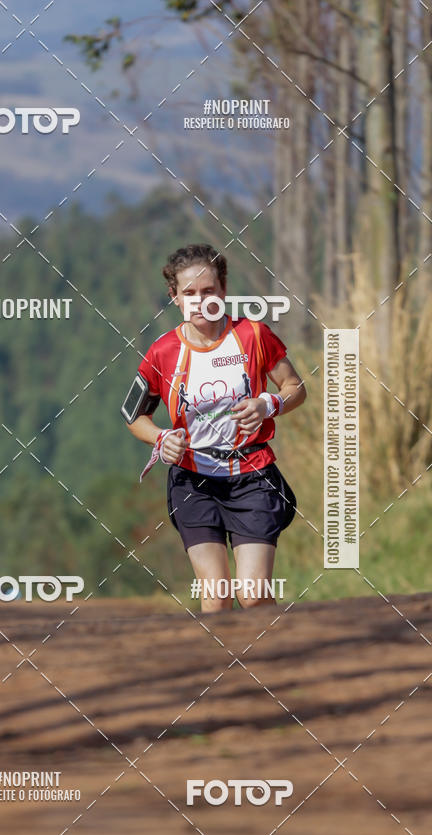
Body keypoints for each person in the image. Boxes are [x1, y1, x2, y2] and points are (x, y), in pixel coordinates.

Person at [122, 243, 307, 613]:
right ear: (174, 296)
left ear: (223, 291)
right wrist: (161, 438)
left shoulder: (253, 335)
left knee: (252, 594)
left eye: (208, 290)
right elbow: (134, 417)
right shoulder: (162, 352)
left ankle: (274, 650)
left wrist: (268, 404)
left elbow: (296, 387)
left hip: (253, 476)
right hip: (193, 482)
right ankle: (222, 654)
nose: (200, 301)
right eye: (189, 293)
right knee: (217, 595)